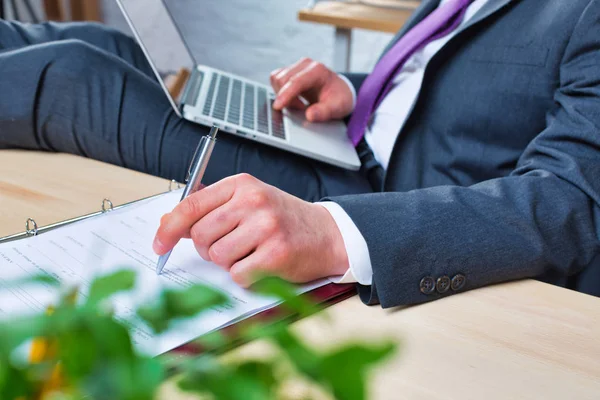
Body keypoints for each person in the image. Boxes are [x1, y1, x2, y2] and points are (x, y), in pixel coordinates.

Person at [3, 0, 600, 308]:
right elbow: (474, 91)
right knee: (100, 41)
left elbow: (570, 198)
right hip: (342, 139)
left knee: (76, 79)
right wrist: (360, 90)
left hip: (373, 199)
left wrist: (333, 234)